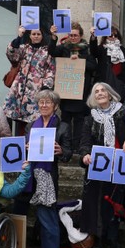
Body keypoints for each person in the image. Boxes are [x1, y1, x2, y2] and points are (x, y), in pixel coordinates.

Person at [79, 82, 125, 248]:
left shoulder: (123, 114)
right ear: (93, 97)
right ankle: (100, 237)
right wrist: (85, 155)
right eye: (96, 91)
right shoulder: (89, 119)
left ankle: (113, 237)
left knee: (116, 200)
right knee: (99, 201)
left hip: (118, 163)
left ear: (110, 95)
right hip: (98, 165)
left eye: (103, 90)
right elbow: (85, 142)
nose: (100, 93)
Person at [25, 89, 72, 248]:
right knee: (42, 217)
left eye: (48, 102)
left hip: (48, 176)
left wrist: (61, 151)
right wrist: (26, 147)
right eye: (41, 102)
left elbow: (68, 153)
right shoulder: (31, 126)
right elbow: (23, 152)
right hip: (30, 175)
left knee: (47, 217)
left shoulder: (63, 127)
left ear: (55, 106)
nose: (44, 105)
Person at [48, 21, 94, 153]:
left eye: (75, 35)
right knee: (66, 121)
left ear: (80, 36)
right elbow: (52, 51)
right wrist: (53, 37)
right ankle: (65, 146)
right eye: (71, 35)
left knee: (80, 122)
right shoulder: (63, 48)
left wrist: (80, 62)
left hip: (81, 93)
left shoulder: (87, 49)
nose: (73, 38)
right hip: (67, 92)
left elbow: (93, 66)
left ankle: (77, 147)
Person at [4, 26, 55, 136]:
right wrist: (19, 36)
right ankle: (20, 146)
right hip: (19, 90)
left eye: (38, 34)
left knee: (33, 122)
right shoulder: (24, 48)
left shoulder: (47, 52)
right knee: (19, 123)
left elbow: (50, 70)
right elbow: (11, 55)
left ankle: (30, 146)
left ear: (42, 36)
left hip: (36, 91)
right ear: (30, 36)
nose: (36, 36)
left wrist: (46, 87)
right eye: (33, 34)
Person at [89, 25, 125, 105]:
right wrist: (93, 36)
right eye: (110, 35)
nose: (113, 37)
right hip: (104, 85)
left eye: (115, 35)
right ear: (106, 37)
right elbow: (93, 51)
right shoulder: (102, 48)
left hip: (120, 86)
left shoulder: (124, 51)